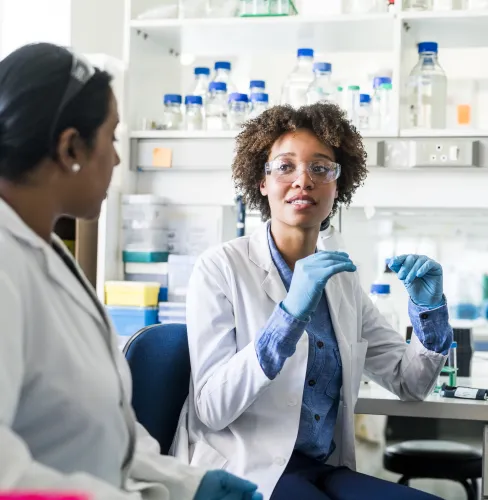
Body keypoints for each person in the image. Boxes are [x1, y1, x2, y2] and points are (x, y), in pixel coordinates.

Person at [0, 43, 262, 500]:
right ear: (70, 148)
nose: (118, 160)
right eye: (113, 138)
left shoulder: (44, 253)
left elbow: (105, 429)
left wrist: (188, 483)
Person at [172, 103, 453, 500]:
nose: (303, 180)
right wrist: (287, 317)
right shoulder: (220, 268)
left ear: (338, 186)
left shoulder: (340, 279)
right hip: (243, 465)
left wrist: (430, 311)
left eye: (320, 168)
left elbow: (410, 383)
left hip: (323, 467)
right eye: (285, 167)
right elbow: (212, 409)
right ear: (261, 181)